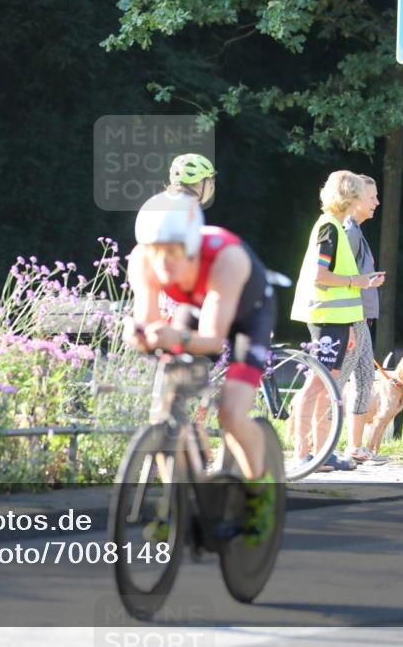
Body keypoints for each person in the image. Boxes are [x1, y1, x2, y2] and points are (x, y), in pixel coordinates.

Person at [124, 154, 277, 545]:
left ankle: (259, 494)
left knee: (232, 412)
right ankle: (175, 502)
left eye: (174, 253)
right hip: (197, 305)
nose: (164, 264)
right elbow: (149, 322)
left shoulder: (226, 258)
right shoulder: (142, 259)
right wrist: (142, 334)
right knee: (166, 410)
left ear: (192, 246)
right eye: (156, 253)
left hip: (247, 312)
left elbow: (212, 340)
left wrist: (172, 337)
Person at [289, 171, 384, 471]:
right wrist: (358, 281)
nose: (369, 201)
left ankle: (322, 453)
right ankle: (302, 454)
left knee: (328, 387)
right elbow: (321, 276)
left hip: (340, 319)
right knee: (316, 386)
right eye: (363, 195)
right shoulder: (329, 228)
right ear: (350, 197)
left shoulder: (338, 228)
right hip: (326, 318)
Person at [338, 174, 386, 463]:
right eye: (372, 197)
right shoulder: (350, 233)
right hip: (350, 318)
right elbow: (340, 277)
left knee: (365, 378)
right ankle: (321, 447)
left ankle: (355, 447)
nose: (377, 202)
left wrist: (369, 281)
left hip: (360, 317)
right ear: (355, 200)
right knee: (337, 380)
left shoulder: (357, 231)